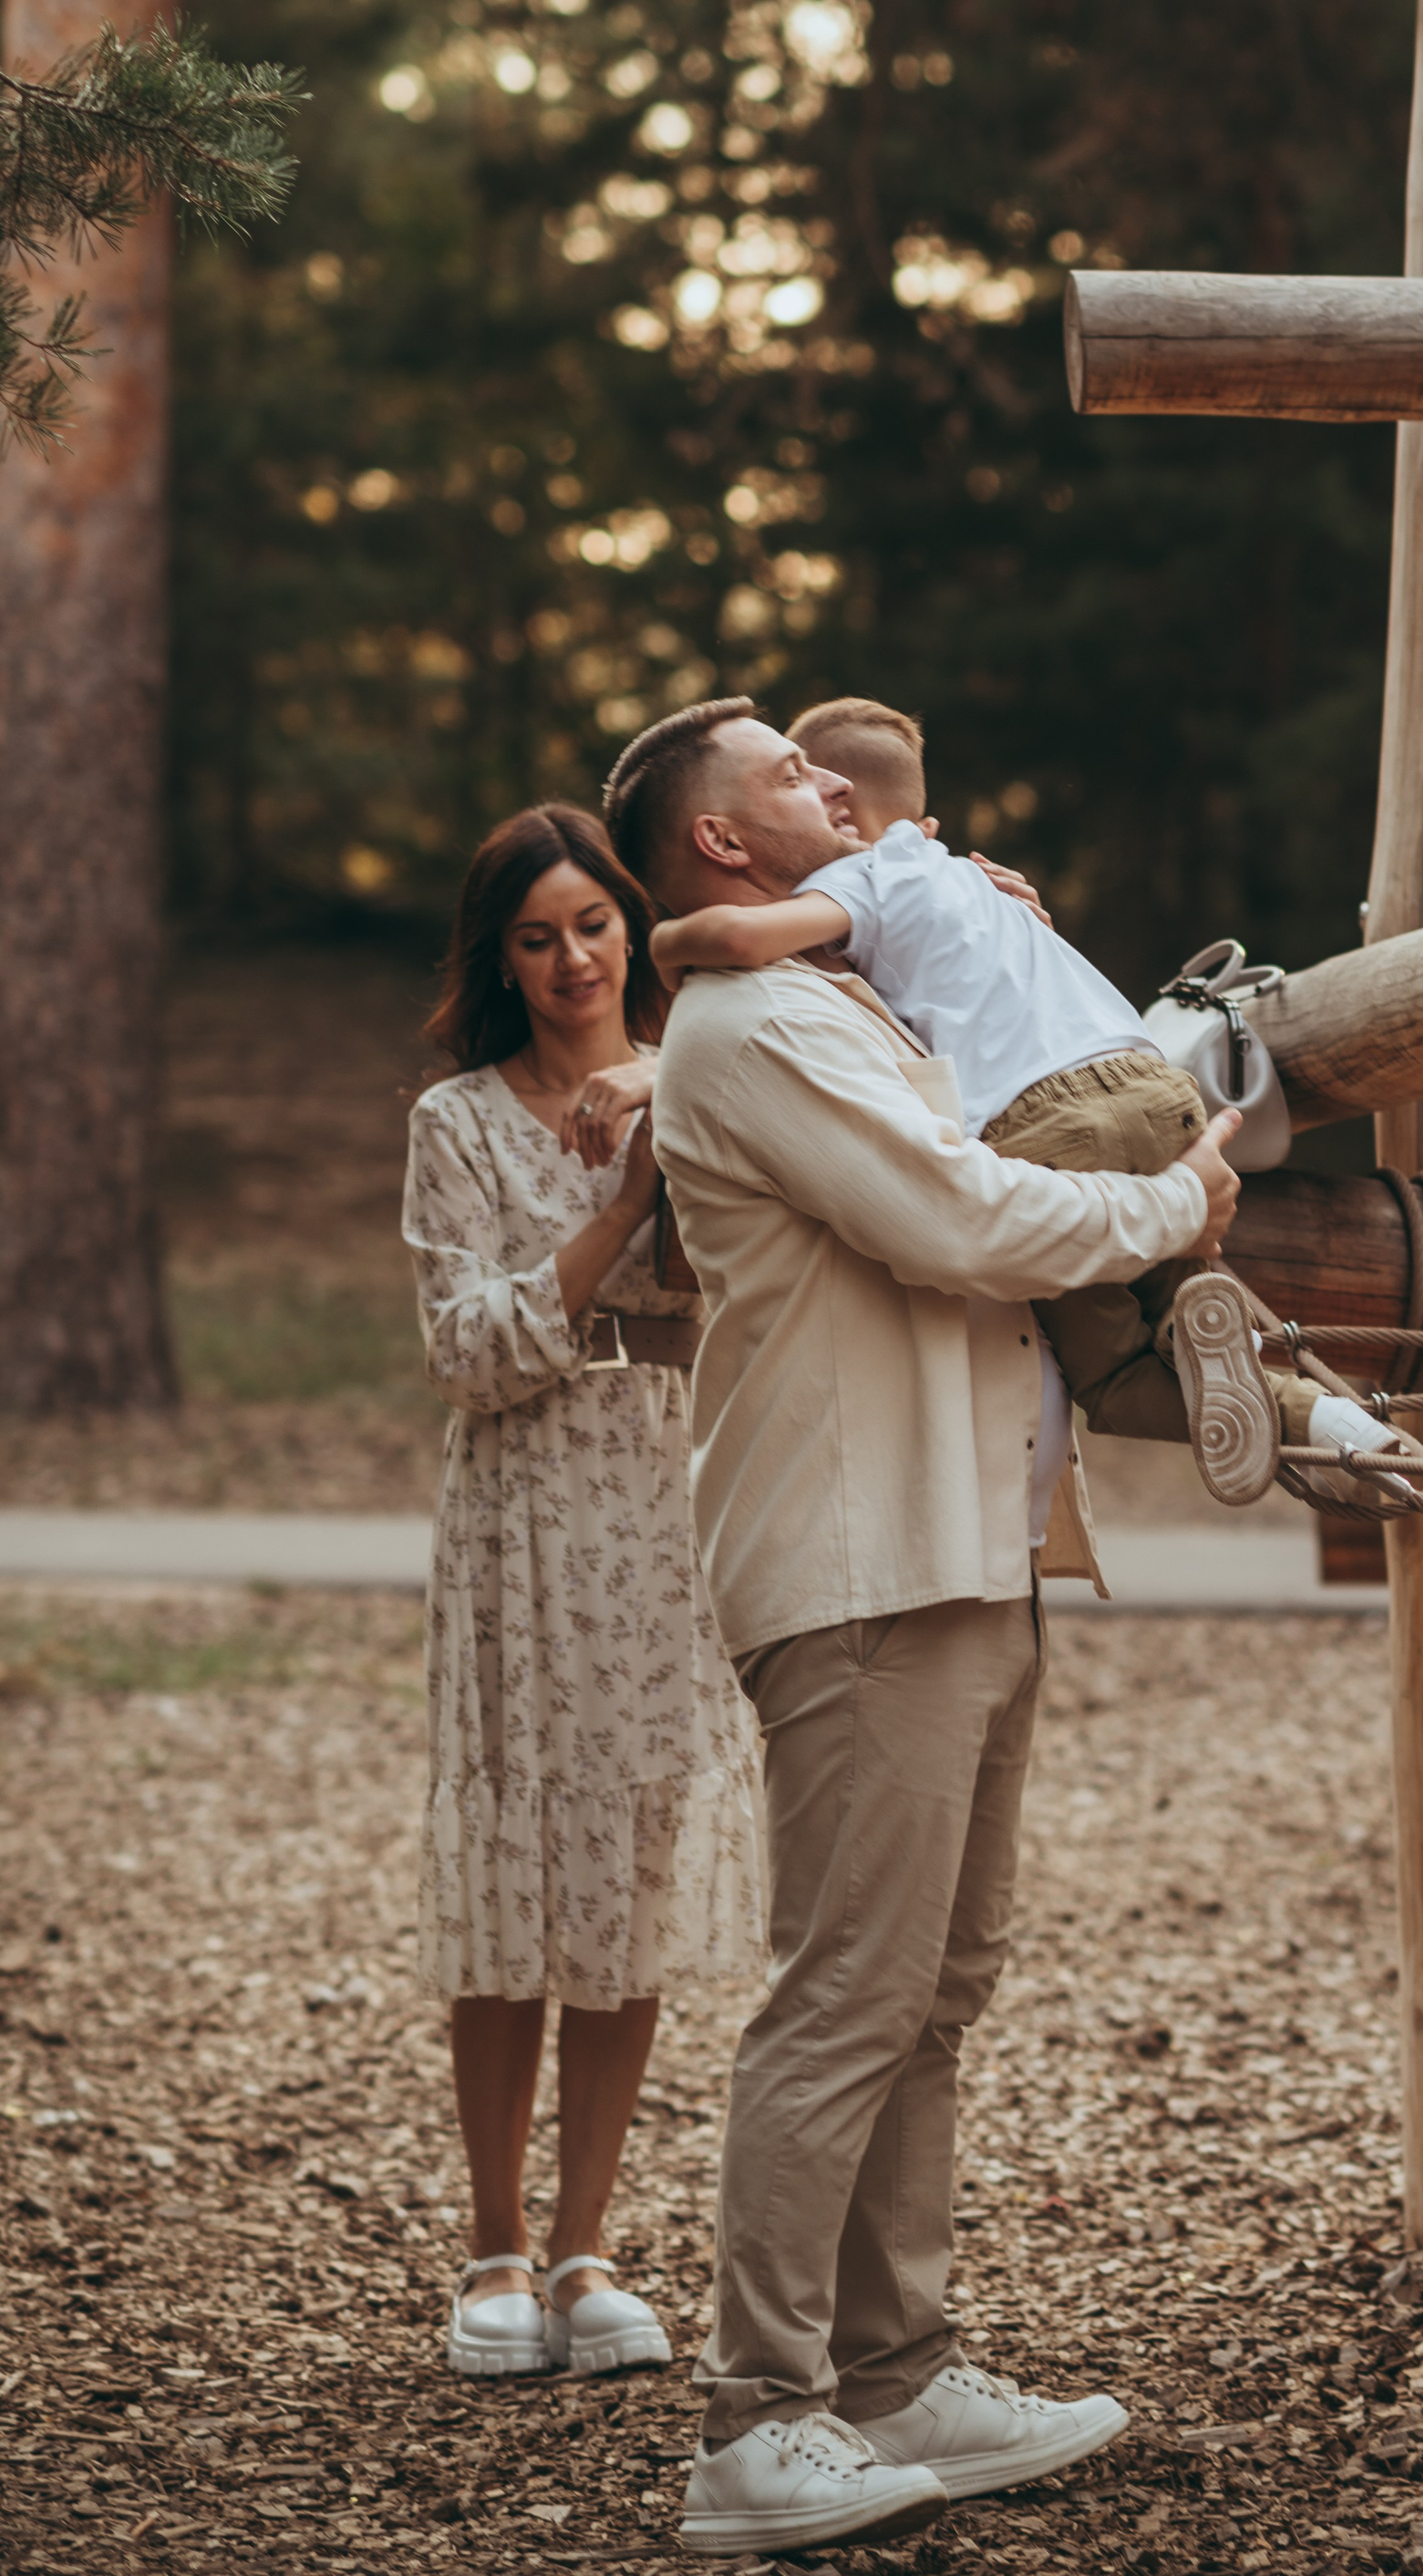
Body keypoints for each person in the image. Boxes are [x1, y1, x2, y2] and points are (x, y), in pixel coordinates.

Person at [603, 698, 1244, 2559]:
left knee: (938, 1984)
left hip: (970, 1540)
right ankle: (757, 2408)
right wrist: (1170, 1197)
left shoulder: (840, 984)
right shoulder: (754, 1024)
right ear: (723, 841)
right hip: (862, 1553)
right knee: (849, 1986)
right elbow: (958, 1217)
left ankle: (895, 2366)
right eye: (793, 780)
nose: (839, 790)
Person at [651, 693, 1390, 1504]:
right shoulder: (954, 877)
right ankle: (1336, 1424)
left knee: (1112, 1378)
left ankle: (1318, 1427)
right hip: (1157, 1090)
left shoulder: (863, 876)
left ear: (848, 810)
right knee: (1181, 1317)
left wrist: (663, 941)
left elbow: (738, 939)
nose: (815, 793)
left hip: (1052, 1126)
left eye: (812, 776)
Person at [402, 802, 765, 2382]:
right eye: (537, 935)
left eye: (595, 925)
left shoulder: (704, 1085)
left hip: (668, 1491)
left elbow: (744, 1279)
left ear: (635, 927)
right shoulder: (456, 1121)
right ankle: (490, 2247)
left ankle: (587, 2244)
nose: (572, 959)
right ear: (502, 955)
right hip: (521, 1511)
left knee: (628, 1856)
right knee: (514, 1871)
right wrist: (618, 1208)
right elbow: (469, 1350)